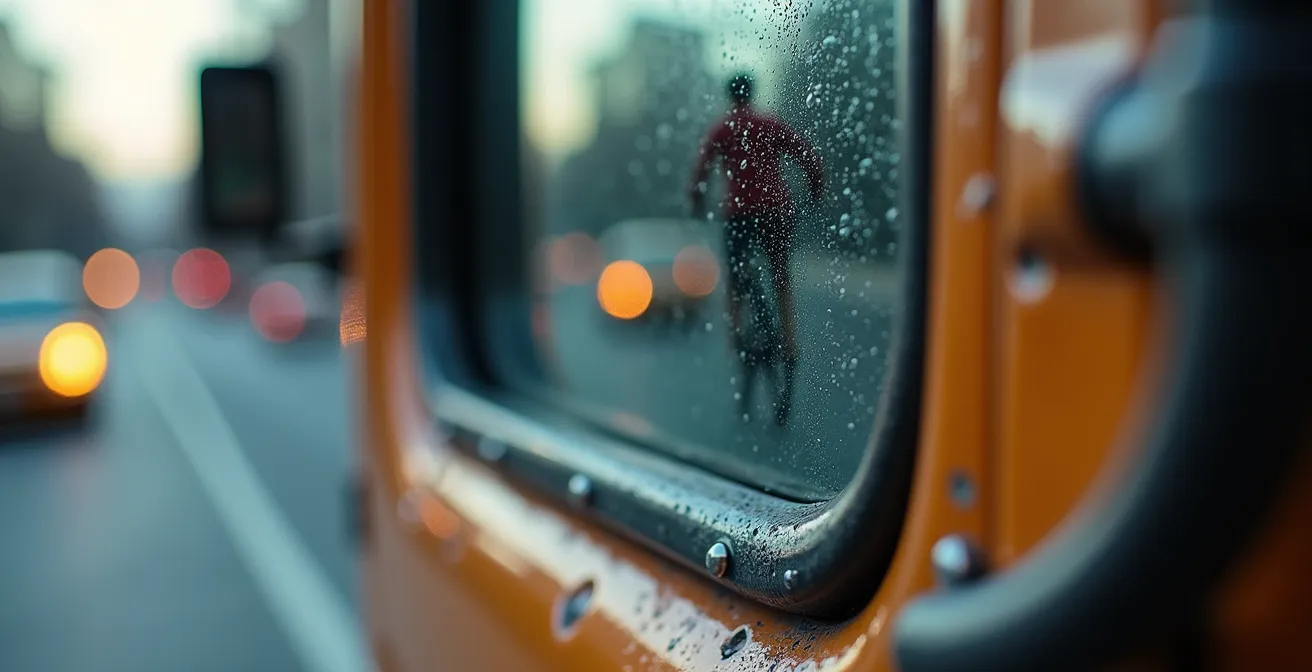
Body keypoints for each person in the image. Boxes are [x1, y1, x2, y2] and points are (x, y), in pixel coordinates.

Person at [689, 73, 824, 418]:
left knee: (735, 281)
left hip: (739, 215)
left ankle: (737, 340)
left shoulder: (723, 128)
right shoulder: (769, 123)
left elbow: (701, 171)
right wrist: (815, 189)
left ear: (729, 95)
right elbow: (806, 155)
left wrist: (697, 202)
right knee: (781, 280)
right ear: (751, 93)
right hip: (777, 211)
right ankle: (789, 347)